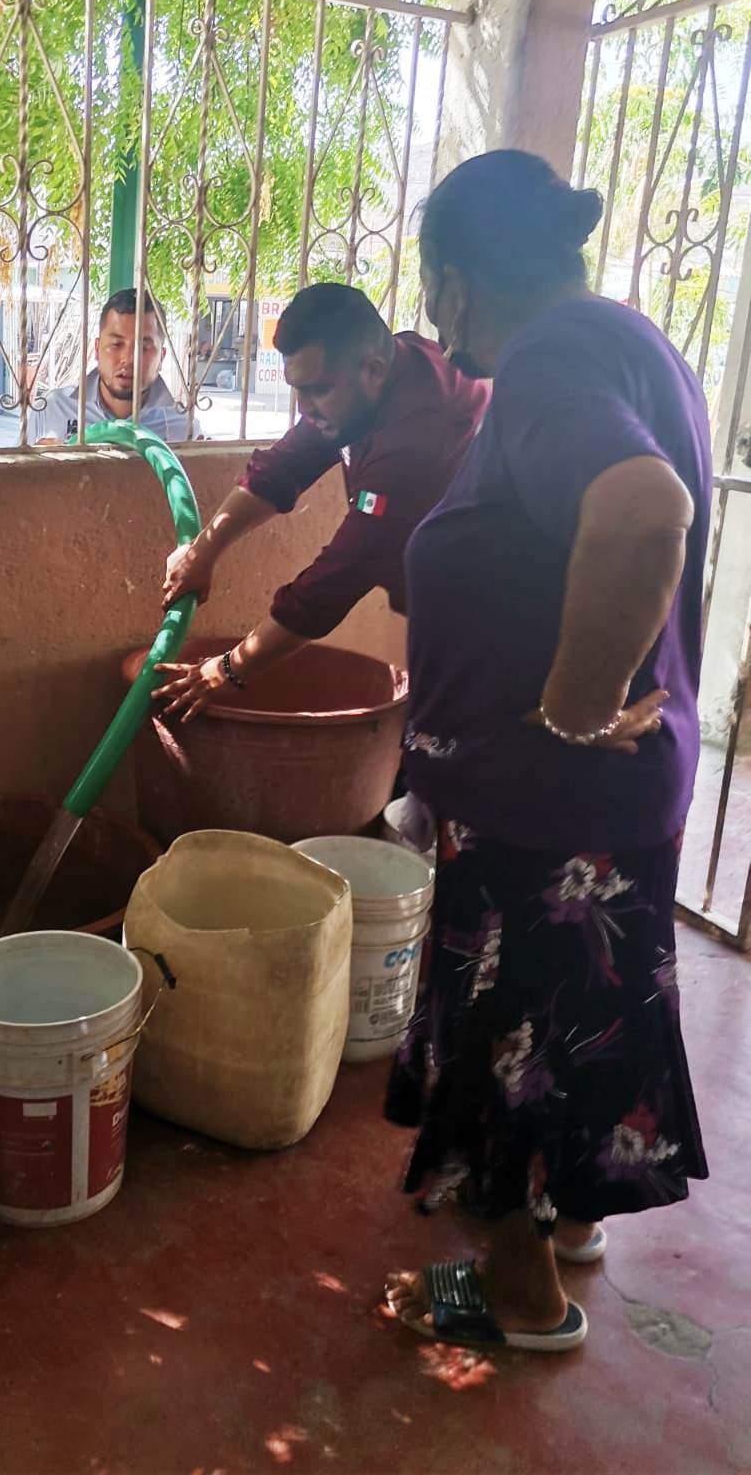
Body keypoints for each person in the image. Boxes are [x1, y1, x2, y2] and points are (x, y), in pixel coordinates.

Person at [383, 150, 710, 1353]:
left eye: (431, 291)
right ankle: (573, 1229)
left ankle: (520, 1294)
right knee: (581, 1018)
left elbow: (641, 510)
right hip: (609, 795)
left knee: (510, 1040)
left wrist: (573, 707)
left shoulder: (547, 364)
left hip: (542, 801)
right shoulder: (630, 339)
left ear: (457, 285)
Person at [154, 284, 490, 718]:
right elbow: (285, 466)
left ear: (373, 370)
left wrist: (227, 671)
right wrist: (203, 551)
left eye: (317, 390)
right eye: (297, 388)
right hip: (450, 602)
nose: (304, 407)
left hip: (499, 617)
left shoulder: (418, 438)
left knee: (460, 746)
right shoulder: (371, 378)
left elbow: (336, 581)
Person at [30, 288, 193, 445]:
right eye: (116, 344)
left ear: (161, 357)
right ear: (97, 349)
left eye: (143, 348)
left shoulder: (182, 426)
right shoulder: (51, 409)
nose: (128, 359)